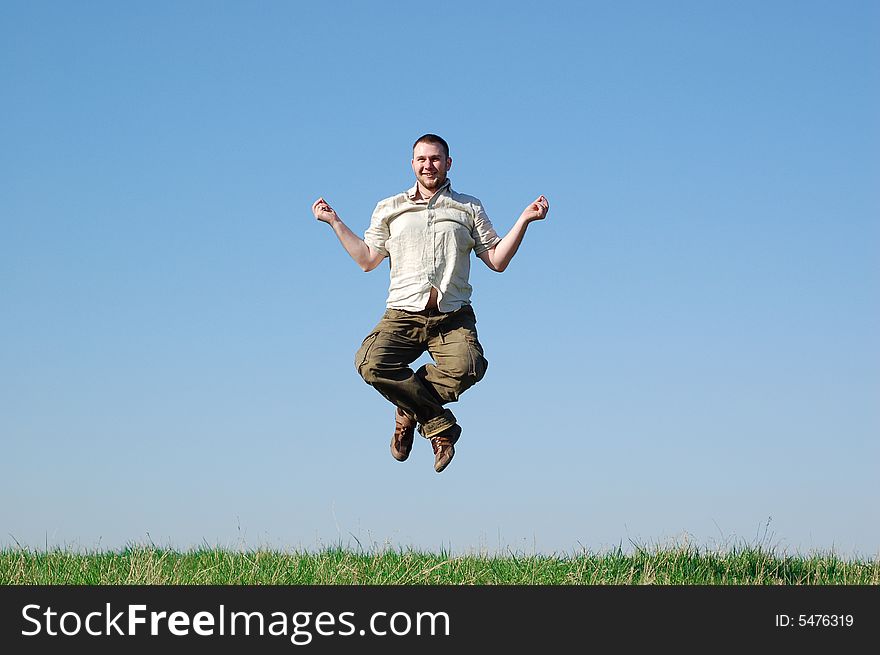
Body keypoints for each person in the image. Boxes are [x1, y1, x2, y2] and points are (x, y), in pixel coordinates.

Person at [311, 134, 548, 473]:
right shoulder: (391, 208)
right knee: (369, 362)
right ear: (412, 164)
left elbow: (496, 260)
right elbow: (367, 259)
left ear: (448, 163)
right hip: (403, 315)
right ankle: (438, 425)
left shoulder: (468, 207)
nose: (428, 165)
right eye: (421, 159)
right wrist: (334, 222)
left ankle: (407, 409)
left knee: (469, 367)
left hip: (451, 316)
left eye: (435, 158)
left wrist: (524, 220)